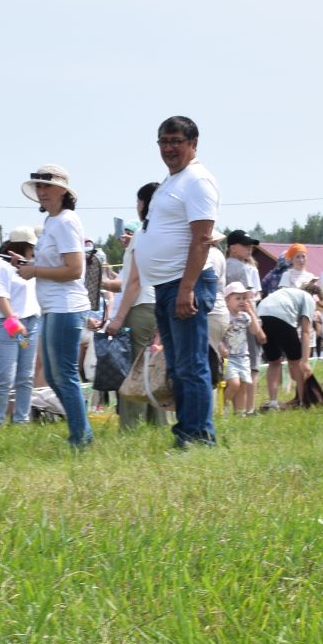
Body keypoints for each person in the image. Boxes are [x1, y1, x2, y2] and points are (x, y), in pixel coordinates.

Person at [135, 116, 221, 447]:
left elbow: (201, 239)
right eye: (163, 142)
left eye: (176, 141)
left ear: (193, 143)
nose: (169, 148)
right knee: (179, 365)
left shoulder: (198, 181)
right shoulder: (172, 182)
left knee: (191, 364)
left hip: (186, 284)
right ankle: (187, 430)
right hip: (167, 285)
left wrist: (187, 289)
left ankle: (198, 436)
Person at [18, 164, 94, 448]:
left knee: (63, 374)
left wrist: (34, 270)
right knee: (53, 374)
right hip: (53, 307)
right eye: (38, 186)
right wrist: (31, 267)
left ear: (63, 190)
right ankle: (80, 430)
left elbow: (75, 269)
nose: (41, 191)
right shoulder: (53, 222)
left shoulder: (65, 221)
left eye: (46, 186)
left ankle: (81, 436)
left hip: (66, 306)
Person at [102, 183, 165, 432]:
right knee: (152, 368)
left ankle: (131, 428)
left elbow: (135, 283)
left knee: (133, 371)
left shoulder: (142, 235)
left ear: (144, 203)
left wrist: (118, 317)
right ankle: (156, 424)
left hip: (139, 308)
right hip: (154, 305)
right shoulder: (158, 232)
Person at [0, 227, 40, 425]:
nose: (33, 249)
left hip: (29, 325)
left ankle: (21, 420)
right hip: (7, 325)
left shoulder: (30, 265)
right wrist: (13, 320)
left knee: (26, 376)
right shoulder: (0, 265)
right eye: (31, 246)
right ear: (23, 245)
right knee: (6, 377)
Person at [257, 279, 321, 408]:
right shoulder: (309, 299)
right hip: (282, 316)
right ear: (316, 298)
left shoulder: (289, 293)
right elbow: (305, 332)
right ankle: (303, 401)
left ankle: (273, 403)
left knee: (274, 362)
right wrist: (305, 360)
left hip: (261, 315)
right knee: (295, 362)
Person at [222, 281, 260, 414]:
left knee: (244, 384)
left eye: (244, 298)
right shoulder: (225, 317)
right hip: (229, 357)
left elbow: (255, 331)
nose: (242, 301)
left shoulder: (244, 316)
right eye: (237, 298)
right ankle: (223, 406)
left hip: (243, 356)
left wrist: (251, 312)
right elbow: (217, 335)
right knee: (234, 383)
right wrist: (221, 348)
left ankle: (240, 412)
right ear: (227, 301)